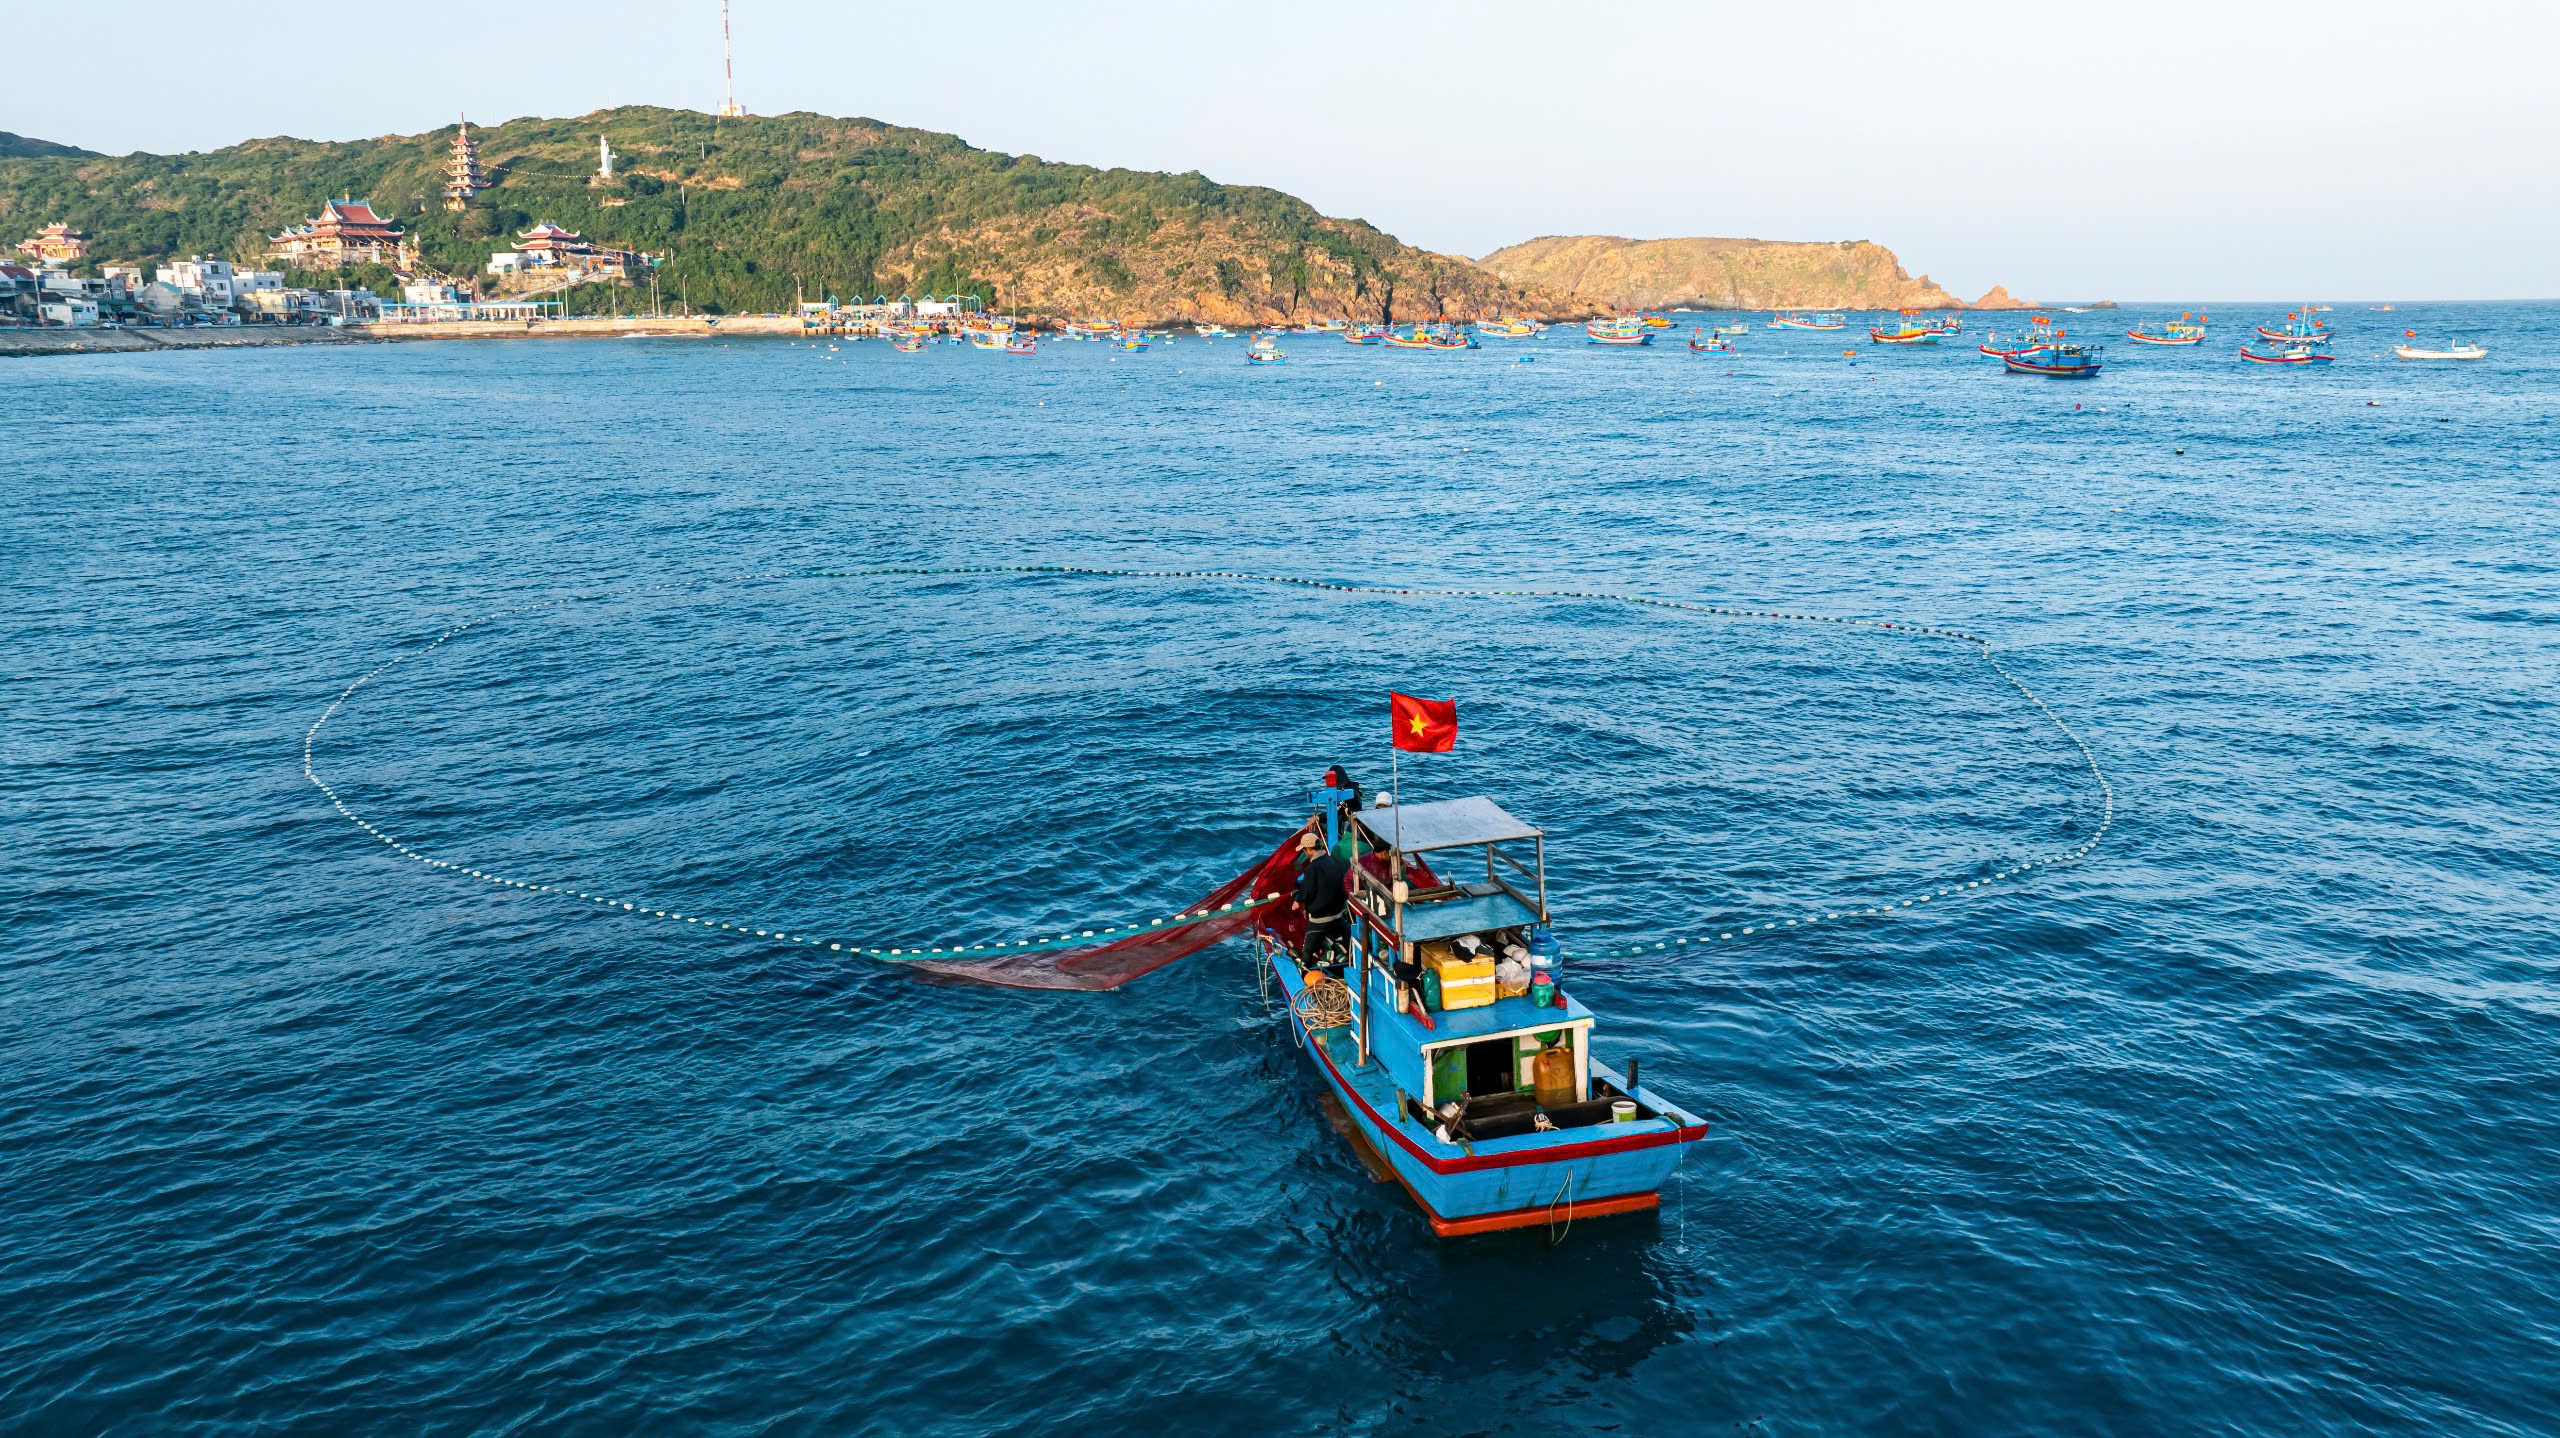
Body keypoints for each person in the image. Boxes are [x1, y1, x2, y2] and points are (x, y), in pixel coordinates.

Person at [1292, 830, 1352, 966]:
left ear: (1308, 850)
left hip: (1319, 919)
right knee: (1340, 933)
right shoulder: (1334, 861)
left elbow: (1306, 893)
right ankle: (1341, 951)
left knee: (1307, 949)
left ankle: (1305, 970)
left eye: (1304, 851)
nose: (1304, 854)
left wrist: (1296, 896)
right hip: (1338, 914)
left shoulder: (1312, 868)